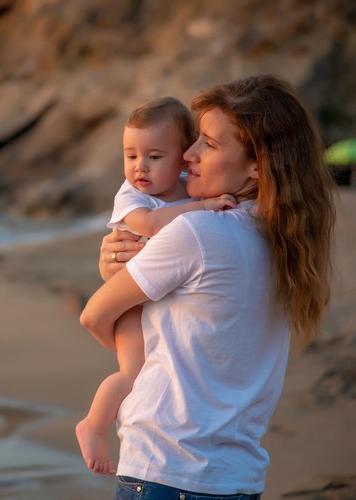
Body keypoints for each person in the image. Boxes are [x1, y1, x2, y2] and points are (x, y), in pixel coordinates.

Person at [80, 74, 335, 498]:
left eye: (210, 145)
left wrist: (116, 284)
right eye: (196, 138)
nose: (189, 155)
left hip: (164, 467)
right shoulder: (285, 240)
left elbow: (93, 315)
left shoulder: (198, 232)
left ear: (258, 165)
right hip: (238, 477)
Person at [76, 96, 236, 475]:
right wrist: (204, 208)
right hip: (132, 303)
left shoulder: (189, 185)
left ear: (184, 157)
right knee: (133, 372)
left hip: (155, 296)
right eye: (130, 156)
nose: (139, 167)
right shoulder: (133, 195)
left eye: (154, 156)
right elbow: (148, 226)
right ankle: (94, 425)